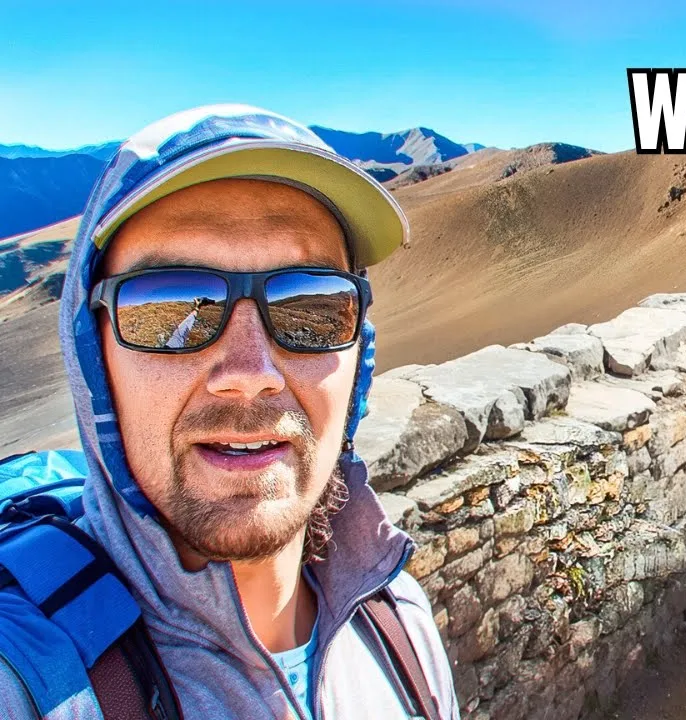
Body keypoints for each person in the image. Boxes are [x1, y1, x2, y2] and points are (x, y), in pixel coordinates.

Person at [0, 105, 460, 719]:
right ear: (93, 358)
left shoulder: (401, 626)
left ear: (358, 357)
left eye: (311, 305)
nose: (251, 374)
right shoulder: (27, 680)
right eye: (170, 306)